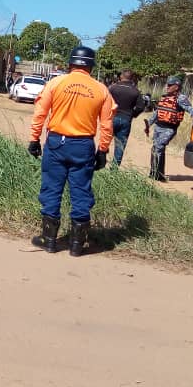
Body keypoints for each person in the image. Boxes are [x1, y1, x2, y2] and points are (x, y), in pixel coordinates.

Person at [27, 47, 114, 257]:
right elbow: (107, 124)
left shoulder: (56, 83)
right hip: (83, 146)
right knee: (81, 192)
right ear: (91, 66)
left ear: (70, 64)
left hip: (57, 142)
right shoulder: (101, 90)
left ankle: (49, 241)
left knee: (51, 189)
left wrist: (34, 139)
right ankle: (76, 245)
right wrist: (102, 150)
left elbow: (40, 113)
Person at [143, 76, 193, 182]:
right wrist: (148, 124)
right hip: (158, 127)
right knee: (156, 149)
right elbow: (157, 112)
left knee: (158, 147)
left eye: (169, 85)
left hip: (169, 129)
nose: (167, 87)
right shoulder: (164, 97)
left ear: (176, 87)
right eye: (167, 85)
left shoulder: (181, 98)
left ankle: (156, 174)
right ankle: (156, 174)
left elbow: (190, 108)